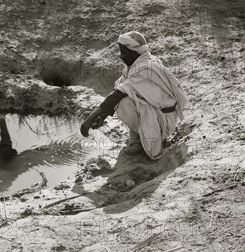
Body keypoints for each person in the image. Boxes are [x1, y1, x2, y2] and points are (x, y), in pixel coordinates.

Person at [80, 31, 187, 160]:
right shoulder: (137, 64)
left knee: (123, 103)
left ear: (133, 52)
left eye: (123, 53)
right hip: (158, 114)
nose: (120, 57)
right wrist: (103, 115)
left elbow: (118, 94)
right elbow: (119, 88)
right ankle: (138, 137)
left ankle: (151, 139)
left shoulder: (145, 69)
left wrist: (89, 120)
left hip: (164, 121)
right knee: (127, 99)